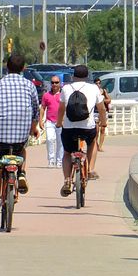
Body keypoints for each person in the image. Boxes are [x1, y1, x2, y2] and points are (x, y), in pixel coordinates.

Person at [0, 52, 40, 224]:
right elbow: (35, 111)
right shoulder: (29, 86)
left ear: (7, 68)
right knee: (22, 147)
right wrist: (33, 129)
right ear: (23, 68)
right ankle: (21, 172)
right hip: (20, 135)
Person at [57, 64, 107, 194]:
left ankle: (67, 179)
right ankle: (90, 169)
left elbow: (61, 108)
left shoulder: (66, 88)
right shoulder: (94, 88)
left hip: (69, 128)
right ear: (87, 76)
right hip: (87, 127)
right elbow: (101, 108)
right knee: (92, 143)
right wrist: (103, 122)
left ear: (73, 76)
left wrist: (58, 122)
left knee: (67, 152)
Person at [40, 75, 64, 168]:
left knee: (60, 142)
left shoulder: (63, 94)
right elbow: (42, 108)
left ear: (60, 83)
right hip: (49, 121)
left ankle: (59, 161)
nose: (54, 84)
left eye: (56, 82)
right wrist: (40, 120)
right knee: (50, 140)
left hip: (60, 122)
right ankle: (51, 160)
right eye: (52, 82)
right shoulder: (46, 95)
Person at [93, 76, 111, 153]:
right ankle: (96, 145)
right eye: (96, 83)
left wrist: (103, 100)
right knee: (96, 130)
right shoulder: (92, 92)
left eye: (99, 83)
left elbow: (109, 100)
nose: (98, 84)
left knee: (102, 129)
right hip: (95, 112)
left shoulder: (103, 91)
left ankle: (100, 146)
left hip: (103, 111)